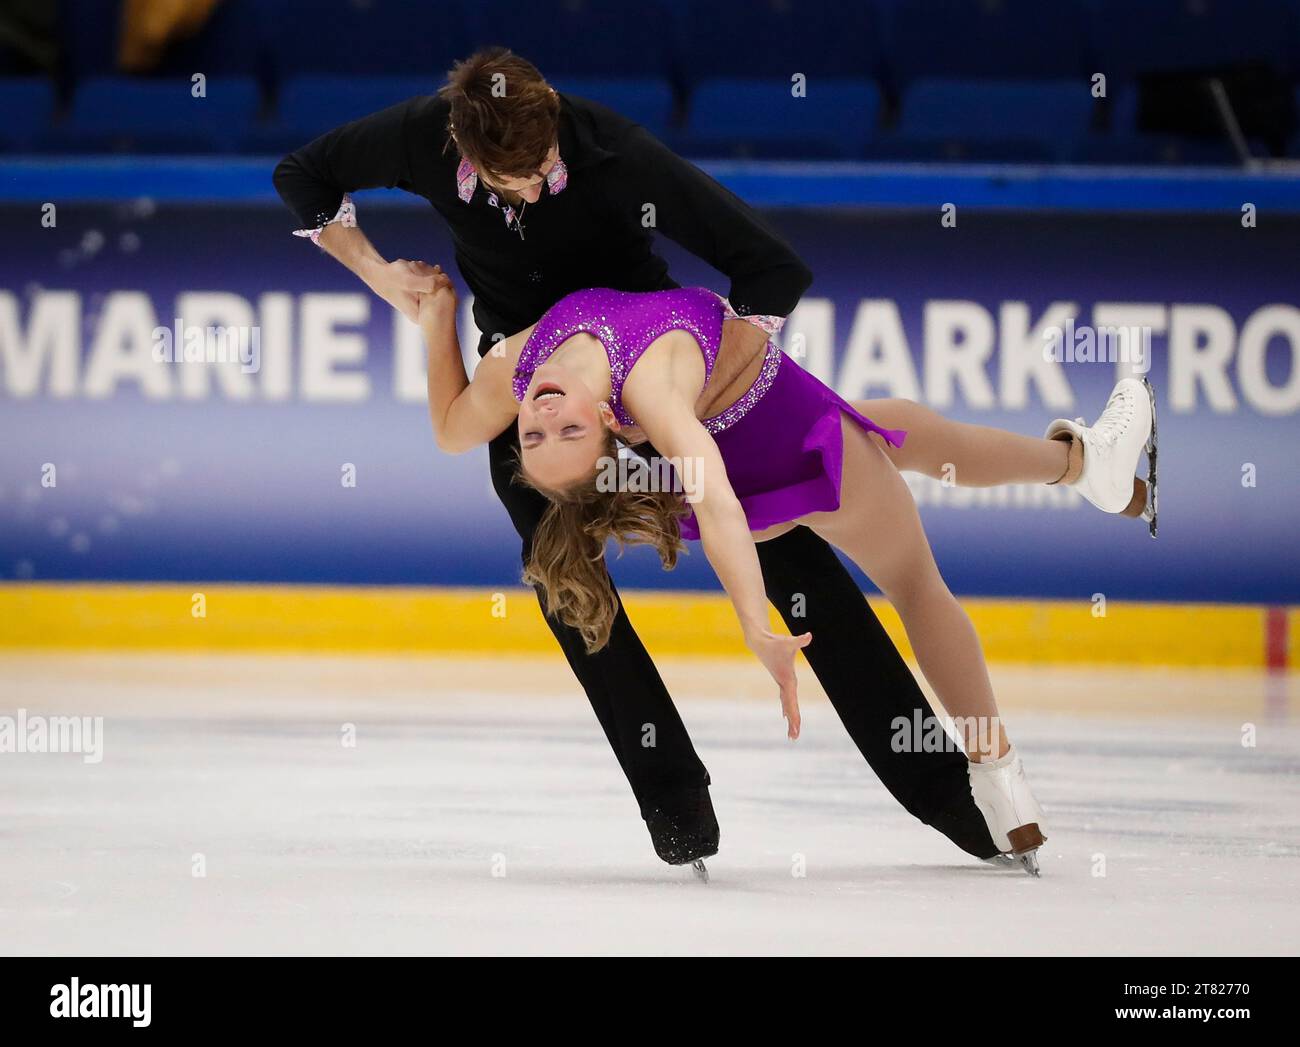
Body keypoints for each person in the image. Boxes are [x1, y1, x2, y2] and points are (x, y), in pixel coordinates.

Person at [274, 47, 1016, 871]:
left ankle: (948, 794)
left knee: (795, 565)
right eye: (503, 184)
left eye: (540, 173)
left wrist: (722, 386)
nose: (524, 196)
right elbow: (304, 173)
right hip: (534, 393)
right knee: (568, 583)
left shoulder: (618, 154)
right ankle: (674, 802)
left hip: (657, 390)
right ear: (462, 145)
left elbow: (770, 265)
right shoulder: (423, 135)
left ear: (553, 113)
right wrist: (382, 277)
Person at [414, 276, 1158, 875]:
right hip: (802, 455)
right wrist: (754, 624)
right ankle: (999, 772)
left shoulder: (514, 367)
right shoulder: (649, 391)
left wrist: (434, 317)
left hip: (786, 424)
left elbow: (451, 428)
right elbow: (722, 509)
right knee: (915, 584)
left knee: (910, 428)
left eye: (539, 435)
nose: (542, 417)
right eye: (565, 432)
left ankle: (1086, 465)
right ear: (611, 421)